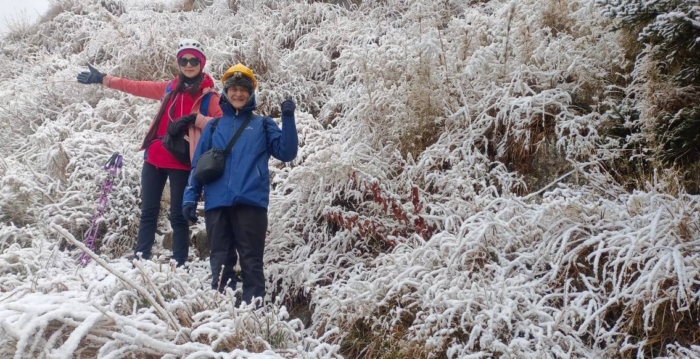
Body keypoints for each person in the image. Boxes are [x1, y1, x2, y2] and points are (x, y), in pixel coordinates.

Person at [77, 39, 224, 267]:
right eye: (183, 60)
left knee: (178, 215)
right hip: (154, 157)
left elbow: (221, 124)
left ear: (201, 63)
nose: (188, 64)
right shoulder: (170, 87)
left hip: (182, 162)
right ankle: (140, 259)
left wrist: (195, 119)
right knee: (148, 211)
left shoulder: (209, 96)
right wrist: (103, 79)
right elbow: (135, 86)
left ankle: (179, 264)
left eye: (194, 60)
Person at [182, 63, 298, 304]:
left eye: (243, 89)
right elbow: (198, 166)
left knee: (251, 260)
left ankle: (254, 314)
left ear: (251, 93)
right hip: (216, 204)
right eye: (233, 88)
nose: (238, 94)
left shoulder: (263, 125)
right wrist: (190, 197)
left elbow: (287, 153)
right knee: (221, 260)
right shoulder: (213, 126)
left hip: (250, 203)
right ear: (225, 92)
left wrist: (288, 119)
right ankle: (224, 313)